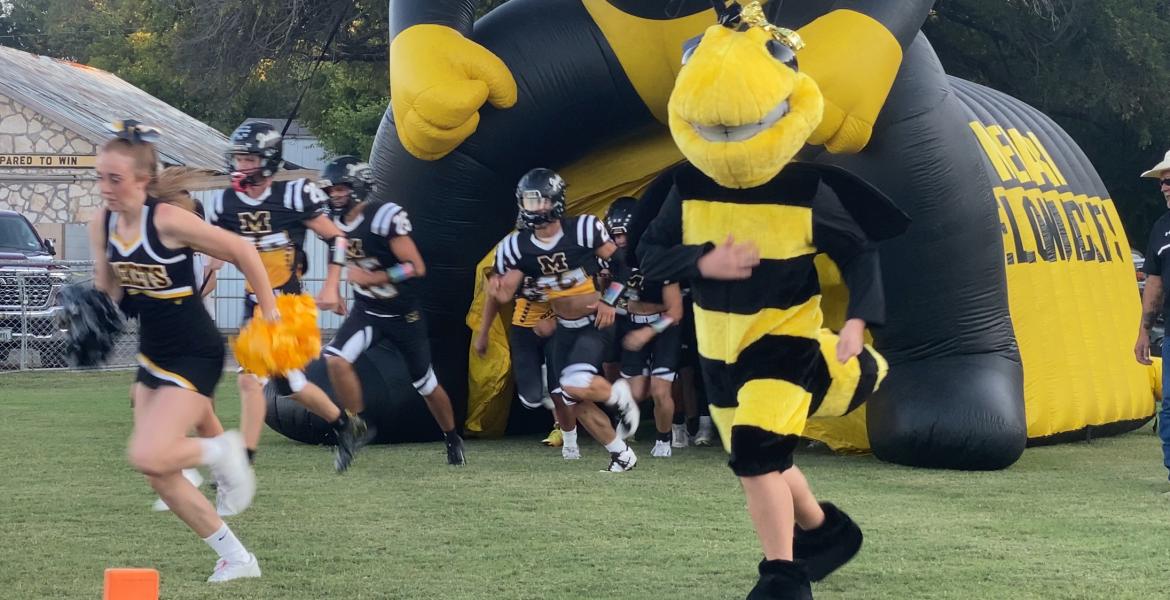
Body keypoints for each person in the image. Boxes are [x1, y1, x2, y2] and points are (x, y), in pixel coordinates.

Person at [90, 120, 272, 581]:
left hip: (194, 351)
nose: (105, 188)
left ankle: (222, 449)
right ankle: (236, 558)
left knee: (149, 454)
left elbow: (243, 251)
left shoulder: (167, 220)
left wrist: (270, 310)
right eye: (100, 177)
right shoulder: (103, 223)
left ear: (142, 181)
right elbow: (108, 291)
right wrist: (90, 315)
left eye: (115, 178)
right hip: (153, 353)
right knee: (159, 473)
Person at [203, 121, 363, 472]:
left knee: (249, 379)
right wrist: (206, 274)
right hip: (253, 303)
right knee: (291, 385)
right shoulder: (224, 203)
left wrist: (332, 283)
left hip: (288, 304)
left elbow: (338, 239)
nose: (241, 166)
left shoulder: (293, 195)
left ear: (269, 160)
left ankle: (242, 461)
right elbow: (215, 253)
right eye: (239, 159)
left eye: (248, 159)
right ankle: (345, 425)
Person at [319, 156, 467, 466]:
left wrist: (376, 277)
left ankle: (452, 437)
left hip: (402, 314)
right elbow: (344, 257)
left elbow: (416, 267)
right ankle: (356, 426)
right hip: (367, 310)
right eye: (331, 191)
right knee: (334, 359)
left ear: (359, 186)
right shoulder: (333, 223)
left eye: (340, 189)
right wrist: (339, 289)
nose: (334, 196)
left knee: (425, 383)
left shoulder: (384, 216)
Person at [489, 168, 640, 472]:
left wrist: (610, 301)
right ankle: (621, 454)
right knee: (567, 398)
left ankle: (617, 395)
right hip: (563, 329)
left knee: (574, 383)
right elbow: (505, 291)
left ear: (554, 201)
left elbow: (622, 264)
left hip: (592, 322)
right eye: (528, 202)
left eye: (539, 201)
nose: (533, 208)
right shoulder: (517, 246)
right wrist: (498, 288)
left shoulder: (583, 229)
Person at [477, 219, 581, 460]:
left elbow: (578, 293)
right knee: (531, 397)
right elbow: (494, 297)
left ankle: (570, 441)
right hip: (524, 324)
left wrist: (554, 320)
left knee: (559, 387)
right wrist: (482, 333)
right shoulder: (510, 253)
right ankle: (544, 391)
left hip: (559, 318)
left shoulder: (560, 251)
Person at [603, 197, 684, 458]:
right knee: (633, 391)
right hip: (632, 326)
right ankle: (624, 431)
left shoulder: (659, 257)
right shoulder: (611, 261)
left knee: (661, 390)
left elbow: (675, 312)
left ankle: (664, 441)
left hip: (663, 330)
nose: (619, 242)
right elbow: (610, 297)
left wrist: (647, 329)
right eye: (614, 235)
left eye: (623, 235)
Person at [1135, 151, 1170, 484]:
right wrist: (1144, 331)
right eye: (1162, 182)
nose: (1165, 188)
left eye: (1169, 180)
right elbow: (1154, 285)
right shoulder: (1161, 228)